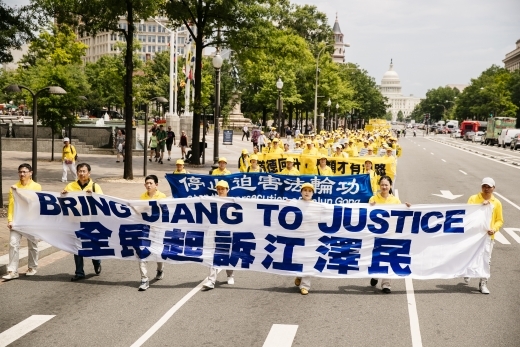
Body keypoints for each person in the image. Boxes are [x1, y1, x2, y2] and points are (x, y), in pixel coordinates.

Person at [62, 163, 104, 281]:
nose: (81, 173)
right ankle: (79, 272)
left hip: (91, 222)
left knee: (91, 246)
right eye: (79, 171)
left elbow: (102, 202)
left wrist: (93, 196)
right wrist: (63, 195)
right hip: (75, 221)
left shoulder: (95, 186)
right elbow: (63, 202)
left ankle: (97, 261)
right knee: (77, 247)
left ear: (89, 173)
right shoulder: (70, 186)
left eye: (84, 171)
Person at [369, 176, 410, 293]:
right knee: (377, 256)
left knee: (389, 257)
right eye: (382, 184)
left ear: (390, 186)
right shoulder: (373, 199)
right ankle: (375, 275)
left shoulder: (395, 201)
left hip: (391, 233)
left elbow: (401, 214)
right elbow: (366, 214)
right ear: (379, 186)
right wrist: (370, 206)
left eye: (386, 185)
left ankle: (386, 284)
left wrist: (408, 208)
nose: (384, 187)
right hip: (376, 234)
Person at [2, 164, 42, 280]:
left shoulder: (36, 187)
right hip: (17, 220)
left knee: (32, 245)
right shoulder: (13, 187)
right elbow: (11, 206)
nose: (22, 174)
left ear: (31, 173)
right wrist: (10, 220)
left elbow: (33, 202)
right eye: (20, 172)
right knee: (13, 243)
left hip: (31, 221)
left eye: (25, 172)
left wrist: (18, 192)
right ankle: (12, 271)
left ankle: (32, 267)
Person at [464, 177, 503, 294]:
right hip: (473, 235)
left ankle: (483, 283)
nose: (486, 189)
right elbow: (467, 213)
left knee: (487, 260)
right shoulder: (473, 198)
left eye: (489, 187)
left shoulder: (497, 203)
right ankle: (467, 271)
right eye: (484, 186)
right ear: (481, 187)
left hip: (487, 237)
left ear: (493, 188)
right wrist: (481, 206)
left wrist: (494, 229)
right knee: (471, 256)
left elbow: (499, 220)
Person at [203, 180, 234, 290]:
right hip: (214, 231)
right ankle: (211, 280)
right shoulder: (212, 201)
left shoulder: (233, 202)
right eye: (219, 189)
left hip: (227, 232)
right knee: (213, 255)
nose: (220, 191)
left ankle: (230, 275)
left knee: (227, 255)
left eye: (223, 189)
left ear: (227, 190)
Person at [138, 175, 167, 291]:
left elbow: (165, 213)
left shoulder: (162, 197)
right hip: (145, 230)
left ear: (156, 185)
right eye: (147, 183)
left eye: (150, 183)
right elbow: (139, 212)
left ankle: (160, 269)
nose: (148, 185)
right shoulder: (142, 197)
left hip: (158, 230)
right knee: (142, 253)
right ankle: (144, 279)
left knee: (158, 253)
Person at [294, 183, 315, 295]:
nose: (307, 192)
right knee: (298, 259)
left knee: (308, 261)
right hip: (297, 236)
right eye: (305, 190)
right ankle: (299, 275)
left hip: (311, 238)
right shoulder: (295, 203)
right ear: (301, 192)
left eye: (309, 191)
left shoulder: (317, 206)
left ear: (312, 193)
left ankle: (305, 285)